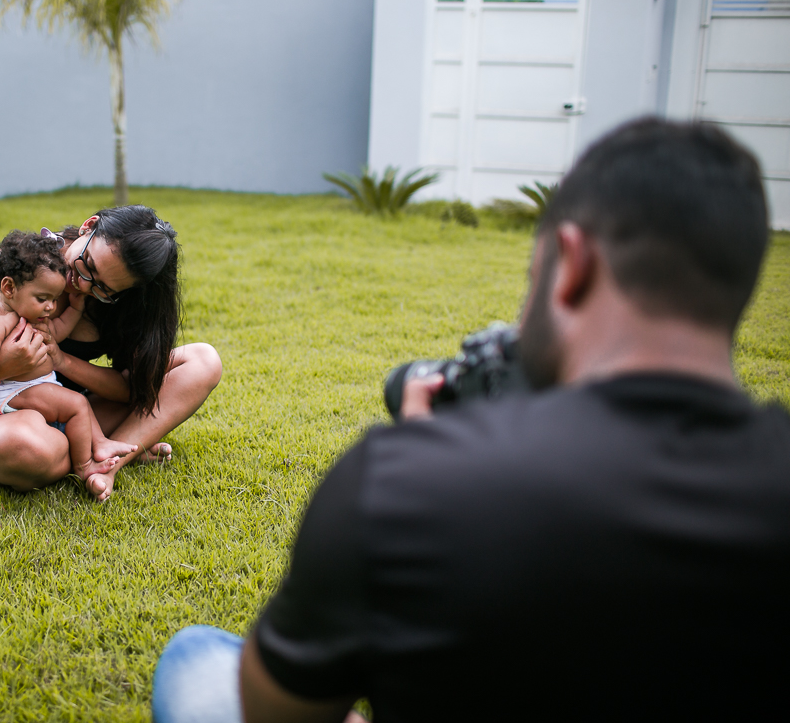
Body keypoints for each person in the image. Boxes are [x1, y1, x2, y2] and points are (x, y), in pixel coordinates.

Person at [151, 118, 790, 722]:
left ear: (571, 265)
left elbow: (276, 713)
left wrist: (424, 463)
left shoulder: (405, 479)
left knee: (197, 655)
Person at [0, 205, 223, 502]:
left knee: (203, 361)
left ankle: (105, 463)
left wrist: (62, 361)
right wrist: (5, 366)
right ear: (89, 226)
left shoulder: (123, 302)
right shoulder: (20, 266)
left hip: (72, 410)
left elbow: (130, 389)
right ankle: (95, 452)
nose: (84, 284)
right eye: (88, 264)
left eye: (103, 288)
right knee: (28, 448)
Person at [0, 229, 136, 483]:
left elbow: (56, 332)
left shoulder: (30, 314)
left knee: (77, 404)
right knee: (77, 405)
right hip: (13, 390)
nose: (50, 307)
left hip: (33, 385)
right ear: (9, 288)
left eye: (55, 299)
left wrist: (75, 309)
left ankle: (99, 443)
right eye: (42, 298)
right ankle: (84, 465)